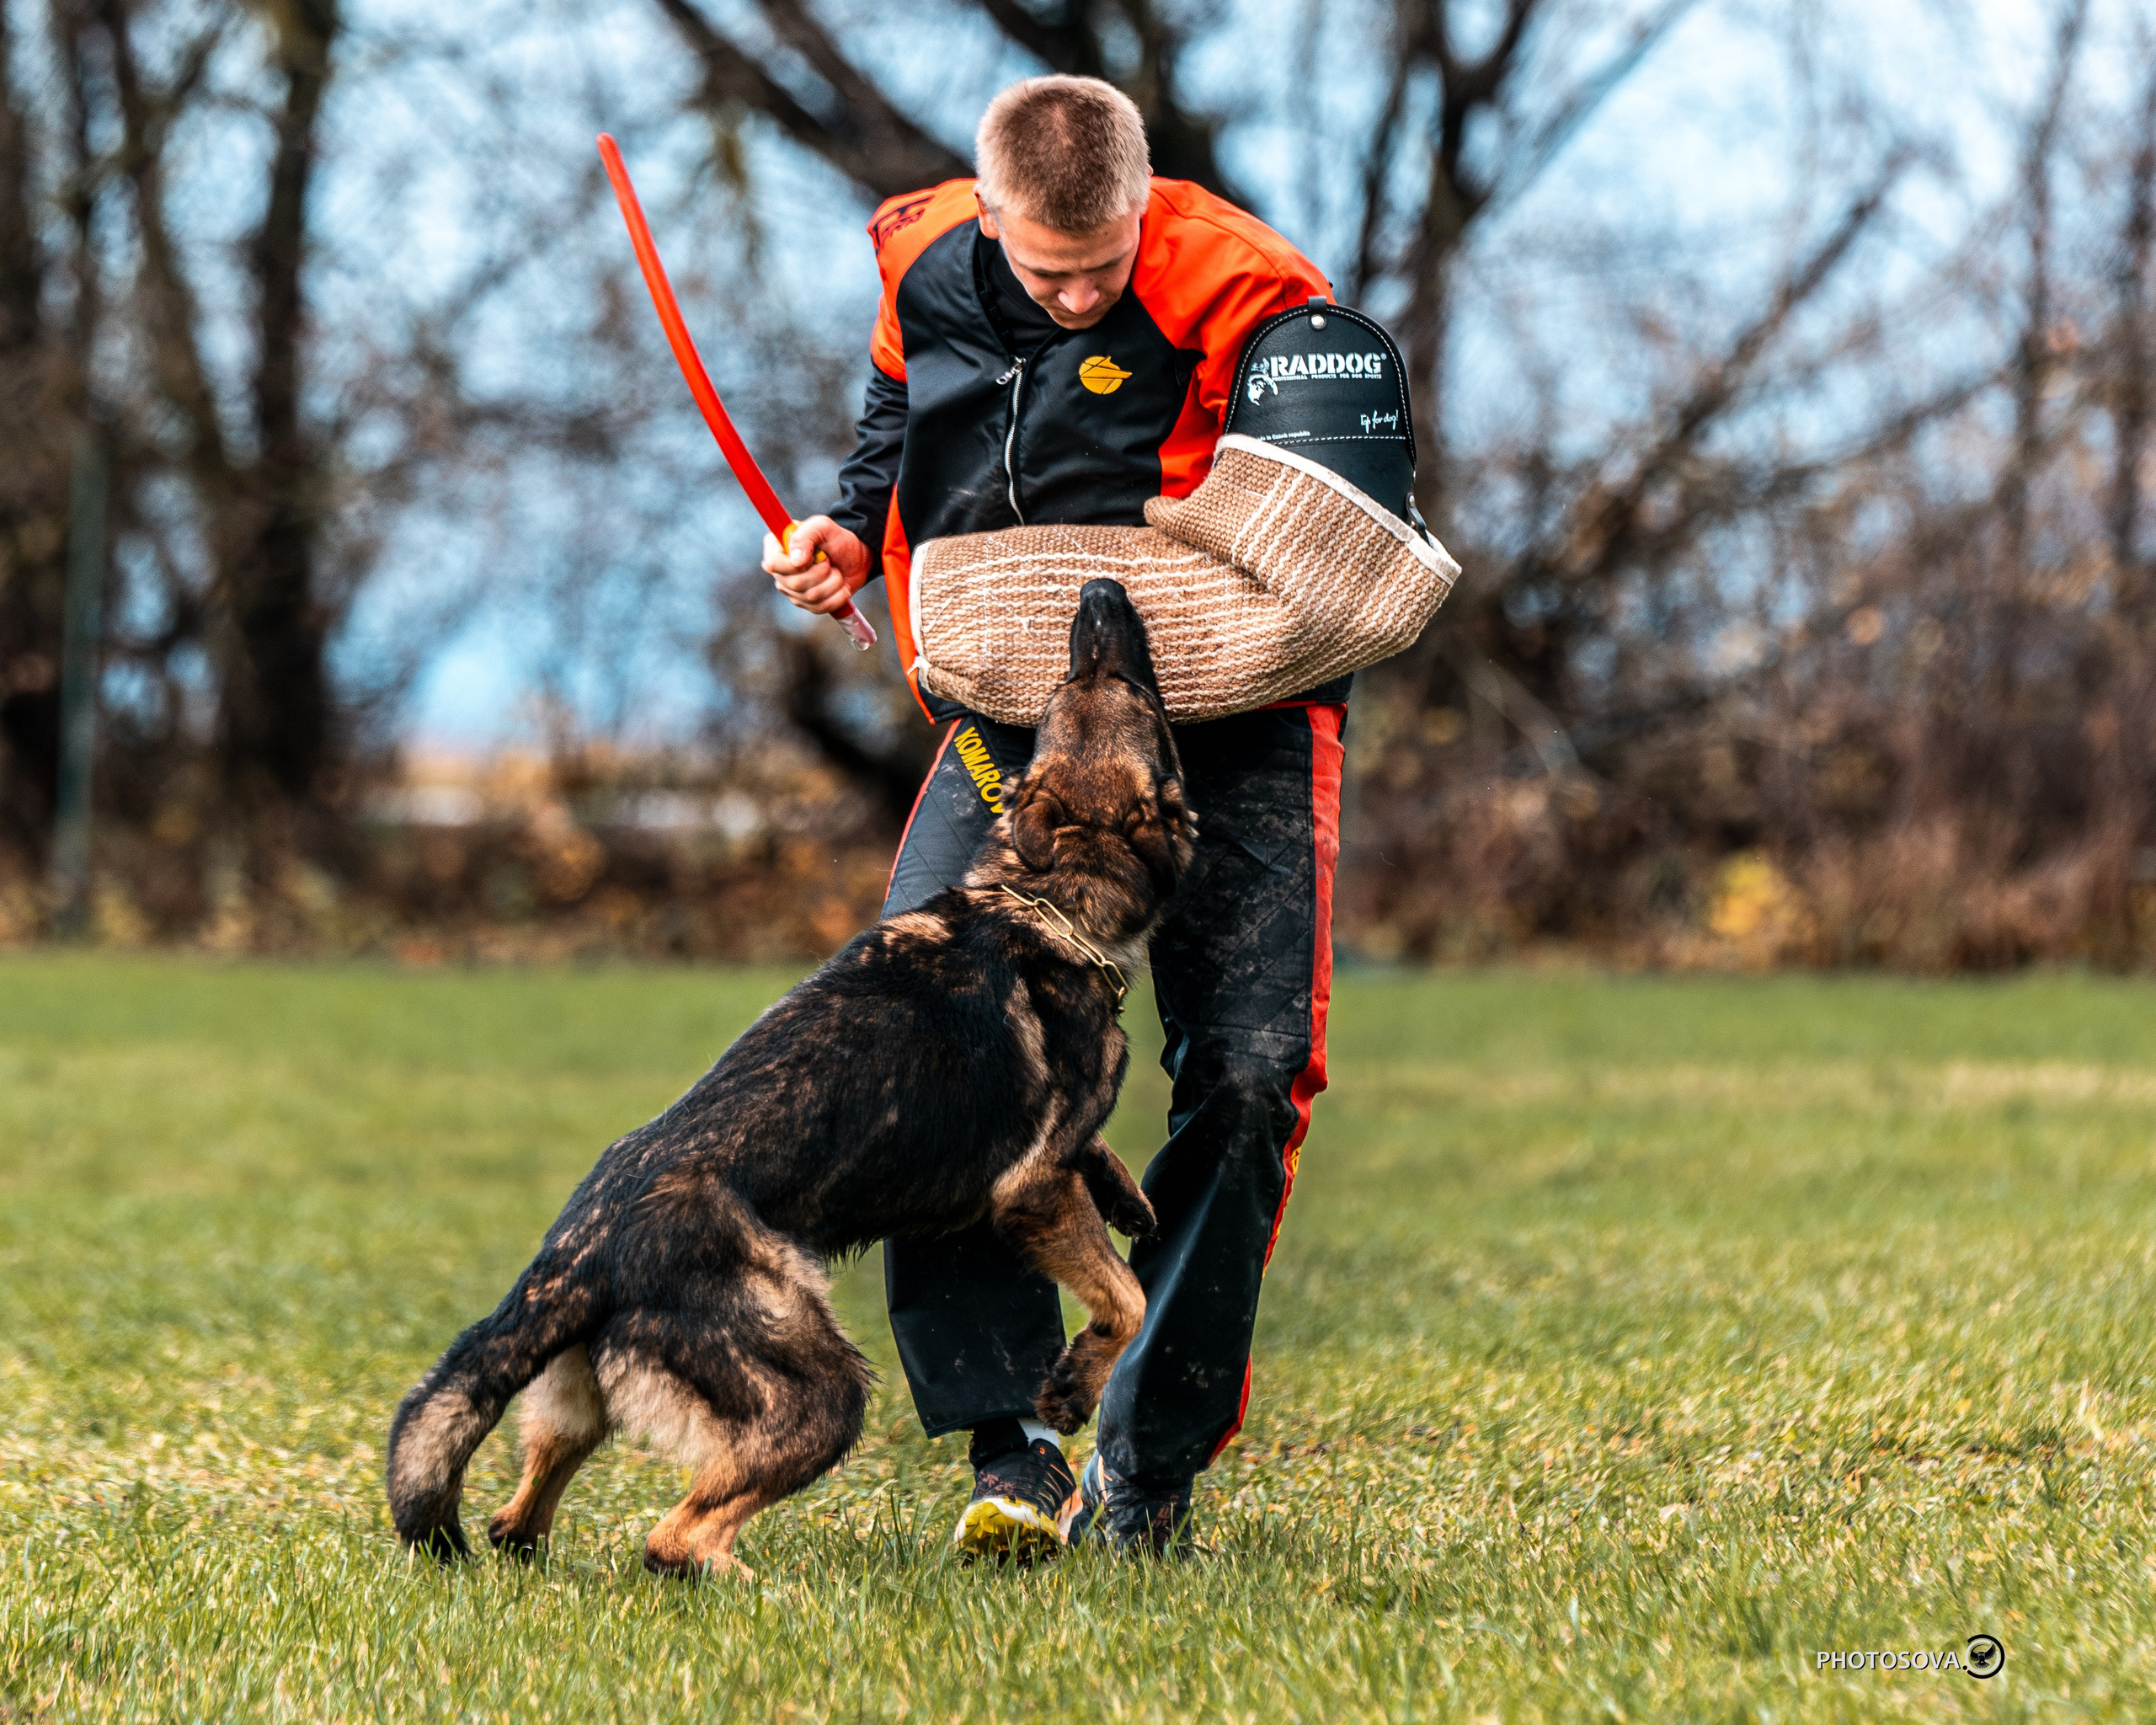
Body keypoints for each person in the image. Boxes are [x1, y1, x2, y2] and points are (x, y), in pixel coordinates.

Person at [761, 73, 1343, 1558]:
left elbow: (1335, 507)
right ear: (990, 214)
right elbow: (902, 409)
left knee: (1251, 1076)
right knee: (928, 1031)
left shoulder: (1255, 291)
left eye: (1105, 266)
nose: (1079, 297)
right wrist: (850, 526)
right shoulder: (920, 255)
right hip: (1022, 705)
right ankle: (1010, 1442)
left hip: (1243, 712)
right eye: (1045, 271)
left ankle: (1148, 1468)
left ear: (1146, 203)